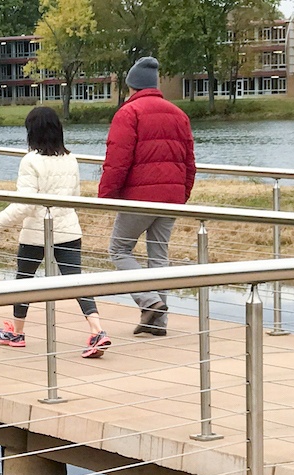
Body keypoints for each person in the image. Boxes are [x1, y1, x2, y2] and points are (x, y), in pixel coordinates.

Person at [0, 106, 111, 359]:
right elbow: (75, 197)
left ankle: (17, 333)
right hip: (68, 228)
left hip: (37, 231)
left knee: (24, 281)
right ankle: (97, 330)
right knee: (76, 281)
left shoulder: (30, 161)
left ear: (32, 133)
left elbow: (24, 205)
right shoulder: (71, 159)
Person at [100, 56, 197, 336]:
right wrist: (183, 193)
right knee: (159, 256)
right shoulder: (179, 115)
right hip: (171, 196)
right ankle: (158, 322)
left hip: (139, 197)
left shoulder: (129, 113)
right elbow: (190, 162)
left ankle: (149, 301)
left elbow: (117, 159)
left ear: (132, 85)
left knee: (119, 249)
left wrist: (106, 195)